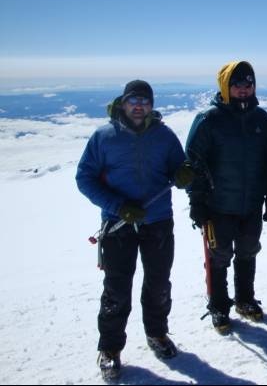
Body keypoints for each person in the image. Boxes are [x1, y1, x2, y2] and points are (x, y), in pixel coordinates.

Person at [76, 80, 194, 380]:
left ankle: (157, 333)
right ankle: (110, 349)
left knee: (158, 283)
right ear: (123, 102)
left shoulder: (164, 136)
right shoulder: (104, 136)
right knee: (116, 289)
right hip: (118, 225)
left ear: (151, 105)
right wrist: (118, 206)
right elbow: (84, 178)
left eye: (145, 100)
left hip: (157, 221)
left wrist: (183, 174)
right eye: (133, 100)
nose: (139, 105)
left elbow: (179, 167)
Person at [185, 60, 267, 335]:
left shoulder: (262, 119)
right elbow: (194, 164)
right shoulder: (209, 119)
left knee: (248, 252)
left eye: (248, 84)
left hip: (251, 203)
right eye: (237, 84)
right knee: (219, 257)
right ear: (226, 87)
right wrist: (196, 202)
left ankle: (245, 300)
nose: (243, 89)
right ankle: (218, 306)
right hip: (218, 205)